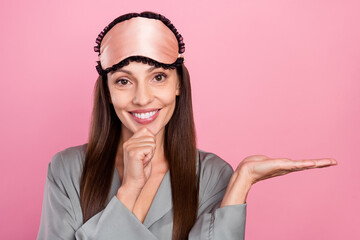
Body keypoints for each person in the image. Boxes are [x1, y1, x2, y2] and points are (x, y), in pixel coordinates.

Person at [37, 11, 337, 240]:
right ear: (108, 91)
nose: (142, 98)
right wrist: (131, 188)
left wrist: (240, 184)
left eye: (158, 77)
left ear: (178, 84)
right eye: (124, 81)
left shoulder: (211, 173)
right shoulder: (67, 168)